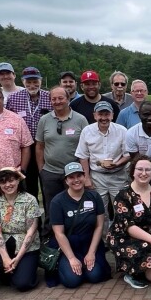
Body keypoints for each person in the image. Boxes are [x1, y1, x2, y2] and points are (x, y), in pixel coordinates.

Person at [109, 156, 151, 289]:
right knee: (144, 249)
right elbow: (129, 227)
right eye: (140, 169)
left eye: (148, 170)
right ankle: (130, 273)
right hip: (126, 237)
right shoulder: (123, 195)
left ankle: (142, 267)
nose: (144, 173)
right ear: (132, 172)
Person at [47, 162, 111, 288]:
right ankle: (64, 265)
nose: (76, 180)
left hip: (89, 243)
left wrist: (91, 252)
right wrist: (71, 258)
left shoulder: (94, 196)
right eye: (71, 177)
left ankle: (87, 266)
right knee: (72, 281)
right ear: (66, 180)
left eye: (79, 176)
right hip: (68, 245)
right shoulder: (57, 201)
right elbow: (59, 233)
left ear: (84, 176)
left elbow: (99, 226)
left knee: (95, 276)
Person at [36, 86, 89, 233]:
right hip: (50, 172)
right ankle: (49, 237)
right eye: (53, 99)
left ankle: (74, 234)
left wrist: (84, 173)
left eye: (61, 98)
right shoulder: (44, 120)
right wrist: (42, 169)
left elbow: (86, 147)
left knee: (74, 205)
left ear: (68, 99)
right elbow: (39, 146)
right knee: (51, 206)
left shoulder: (80, 119)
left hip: (74, 173)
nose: (57, 101)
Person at [0, 168, 41, 291]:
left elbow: (31, 231)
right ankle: (10, 271)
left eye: (11, 180)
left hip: (25, 243)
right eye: (3, 182)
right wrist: (5, 258)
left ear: (18, 180)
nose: (8, 185)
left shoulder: (30, 199)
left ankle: (21, 270)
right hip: (2, 240)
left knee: (23, 284)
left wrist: (17, 259)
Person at [76, 101, 130, 221]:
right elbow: (83, 156)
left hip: (118, 175)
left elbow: (128, 155)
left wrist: (117, 164)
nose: (104, 118)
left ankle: (120, 237)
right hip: (97, 176)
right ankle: (103, 239)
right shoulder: (87, 131)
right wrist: (86, 178)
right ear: (95, 115)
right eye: (100, 114)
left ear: (112, 115)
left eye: (107, 114)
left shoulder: (122, 131)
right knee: (100, 212)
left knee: (121, 209)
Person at [5, 66, 52, 198]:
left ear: (41, 81)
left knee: (47, 183)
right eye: (28, 82)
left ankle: (49, 216)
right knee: (28, 185)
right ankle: (33, 216)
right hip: (24, 148)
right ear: (22, 81)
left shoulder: (49, 97)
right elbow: (9, 122)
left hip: (45, 146)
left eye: (35, 81)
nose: (32, 85)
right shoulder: (13, 98)